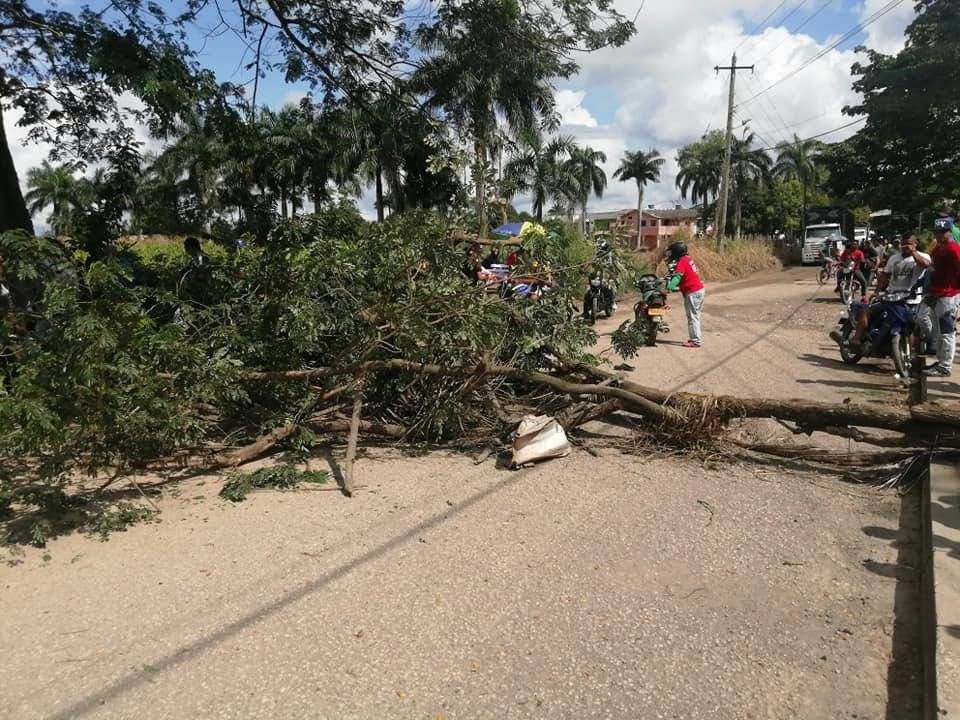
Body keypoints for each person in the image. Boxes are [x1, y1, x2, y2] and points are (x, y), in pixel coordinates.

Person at [831, 234, 929, 350]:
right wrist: (876, 292)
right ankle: (856, 339)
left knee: (919, 325)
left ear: (915, 244)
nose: (904, 246)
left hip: (913, 300)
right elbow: (884, 276)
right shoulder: (894, 258)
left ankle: (920, 350)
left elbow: (926, 265)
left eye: (908, 244)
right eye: (903, 244)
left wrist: (914, 253)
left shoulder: (923, 256)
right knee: (866, 310)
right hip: (892, 297)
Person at [915, 217, 960, 376]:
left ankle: (945, 366)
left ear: (949, 232)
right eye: (937, 232)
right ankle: (940, 360)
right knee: (933, 327)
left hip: (948, 295)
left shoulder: (954, 248)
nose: (940, 235)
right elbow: (931, 268)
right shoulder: (938, 248)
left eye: (943, 232)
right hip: (934, 292)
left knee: (947, 331)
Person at [665, 241, 705, 348]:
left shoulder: (682, 262)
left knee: (692, 317)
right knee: (695, 316)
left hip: (693, 292)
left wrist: (668, 288)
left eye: (673, 252)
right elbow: (687, 276)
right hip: (698, 290)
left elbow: (677, 277)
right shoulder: (688, 259)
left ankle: (695, 341)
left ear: (677, 252)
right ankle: (695, 338)